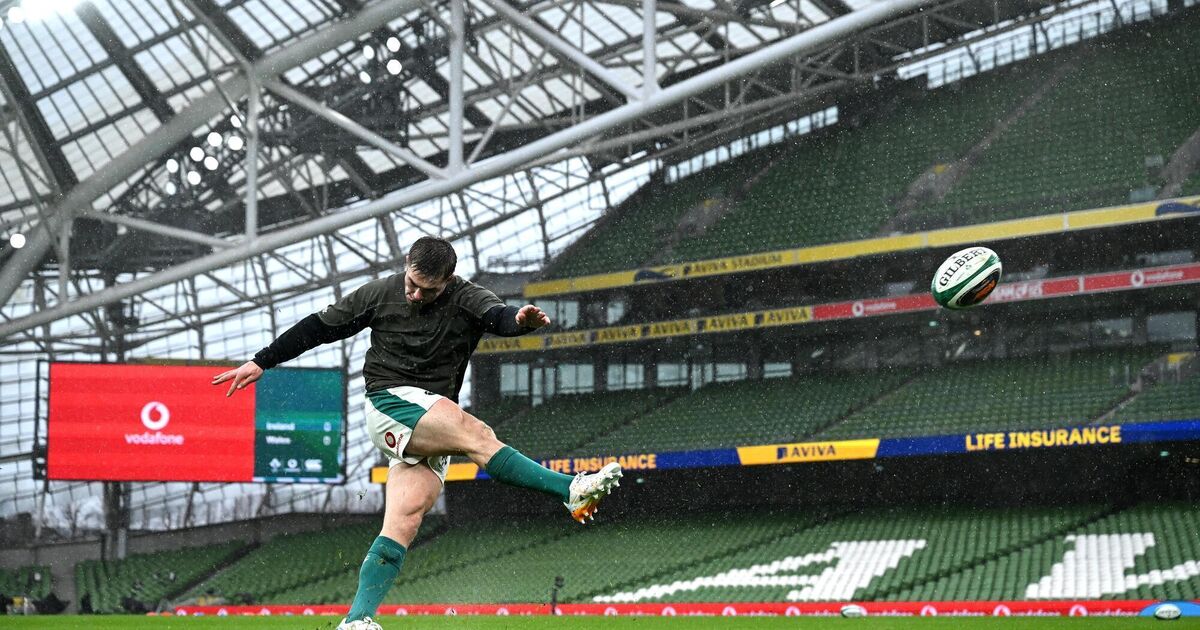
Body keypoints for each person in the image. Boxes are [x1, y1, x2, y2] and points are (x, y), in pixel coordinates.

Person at [211, 236, 622, 630]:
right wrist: (262, 360)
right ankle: (570, 489)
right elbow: (319, 327)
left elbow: (498, 317)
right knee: (476, 433)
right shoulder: (379, 293)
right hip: (389, 403)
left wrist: (518, 321)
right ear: (406, 266)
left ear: (448, 280)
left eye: (428, 290)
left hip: (428, 419)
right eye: (412, 283)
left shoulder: (467, 297)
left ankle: (356, 619)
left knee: (404, 521)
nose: (415, 294)